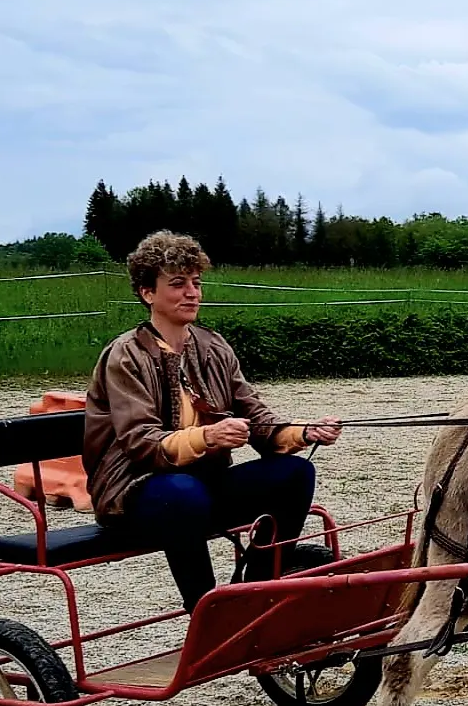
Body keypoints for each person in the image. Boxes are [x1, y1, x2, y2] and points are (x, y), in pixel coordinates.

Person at [83, 230, 341, 610]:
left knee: (294, 474)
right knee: (182, 493)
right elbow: (139, 443)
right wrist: (208, 437)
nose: (192, 292)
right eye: (177, 284)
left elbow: (257, 417)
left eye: (196, 282)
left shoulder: (213, 346)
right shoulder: (125, 355)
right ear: (147, 293)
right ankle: (209, 609)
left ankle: (256, 587)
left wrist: (302, 432)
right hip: (137, 491)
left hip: (202, 487)